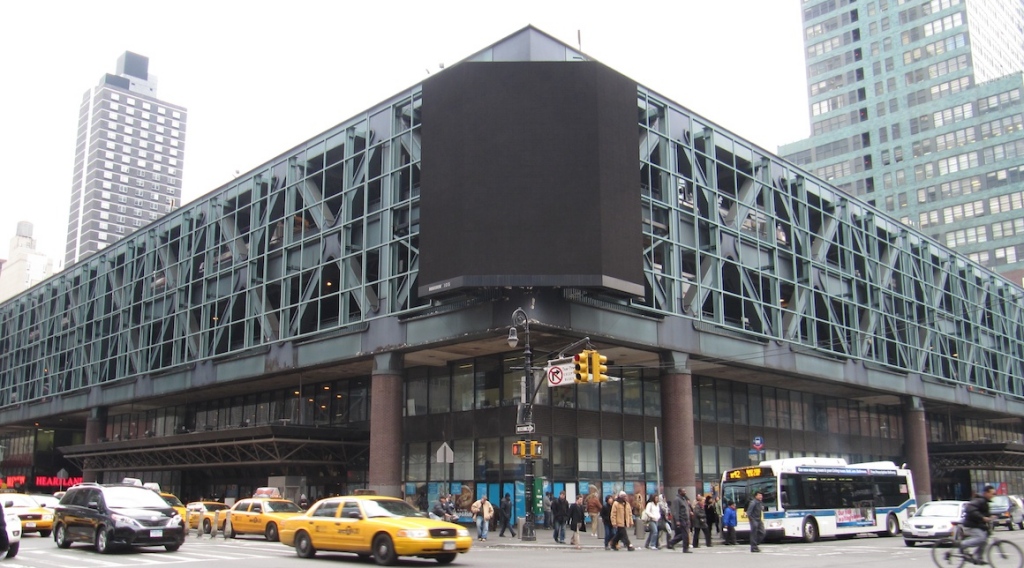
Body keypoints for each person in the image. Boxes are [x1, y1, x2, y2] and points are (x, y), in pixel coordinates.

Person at [962, 485, 996, 564]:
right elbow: (970, 509)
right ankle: (962, 544)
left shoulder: (985, 502)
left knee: (984, 540)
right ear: (986, 493)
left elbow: (984, 513)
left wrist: (990, 517)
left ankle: (978, 557)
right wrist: (982, 518)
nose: (993, 496)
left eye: (994, 494)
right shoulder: (979, 500)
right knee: (981, 538)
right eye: (992, 493)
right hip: (970, 525)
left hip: (977, 525)